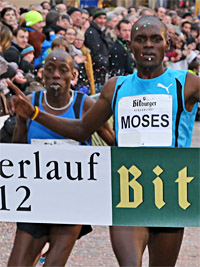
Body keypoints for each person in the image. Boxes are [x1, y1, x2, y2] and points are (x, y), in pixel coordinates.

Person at [10, 16, 200, 266]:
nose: (148, 45)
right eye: (140, 40)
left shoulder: (186, 83)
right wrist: (34, 114)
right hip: (127, 194)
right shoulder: (116, 87)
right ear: (129, 45)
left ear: (167, 44)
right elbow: (82, 129)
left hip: (172, 196)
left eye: (156, 39)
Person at [7, 49, 115, 266]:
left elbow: (113, 143)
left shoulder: (84, 105)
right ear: (41, 75)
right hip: (36, 198)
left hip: (72, 200)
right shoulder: (29, 101)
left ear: (74, 76)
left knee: (54, 263)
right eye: (50, 70)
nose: (56, 75)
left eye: (63, 70)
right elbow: (16, 152)